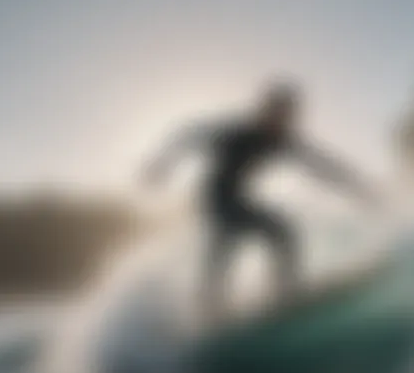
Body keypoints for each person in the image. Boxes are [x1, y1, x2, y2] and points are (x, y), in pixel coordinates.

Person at [141, 80, 379, 322]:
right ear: (265, 111)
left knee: (281, 232)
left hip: (238, 197)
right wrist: (162, 163)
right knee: (229, 237)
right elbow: (190, 135)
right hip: (215, 195)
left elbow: (323, 166)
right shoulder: (237, 131)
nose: (283, 121)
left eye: (288, 116)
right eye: (278, 113)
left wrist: (361, 190)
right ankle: (210, 307)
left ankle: (283, 294)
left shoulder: (282, 141)